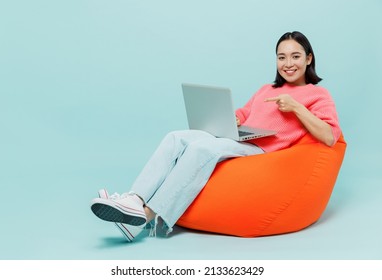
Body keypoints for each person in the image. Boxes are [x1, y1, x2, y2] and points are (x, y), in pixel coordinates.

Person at [90, 31, 341, 242]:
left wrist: (296, 108)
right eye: (281, 57)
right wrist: (235, 119)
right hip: (238, 139)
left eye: (295, 56)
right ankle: (134, 200)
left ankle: (145, 217)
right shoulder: (268, 89)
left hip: (261, 152)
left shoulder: (318, 95)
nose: (288, 63)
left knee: (201, 150)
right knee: (176, 138)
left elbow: (330, 136)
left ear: (309, 59)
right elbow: (245, 111)